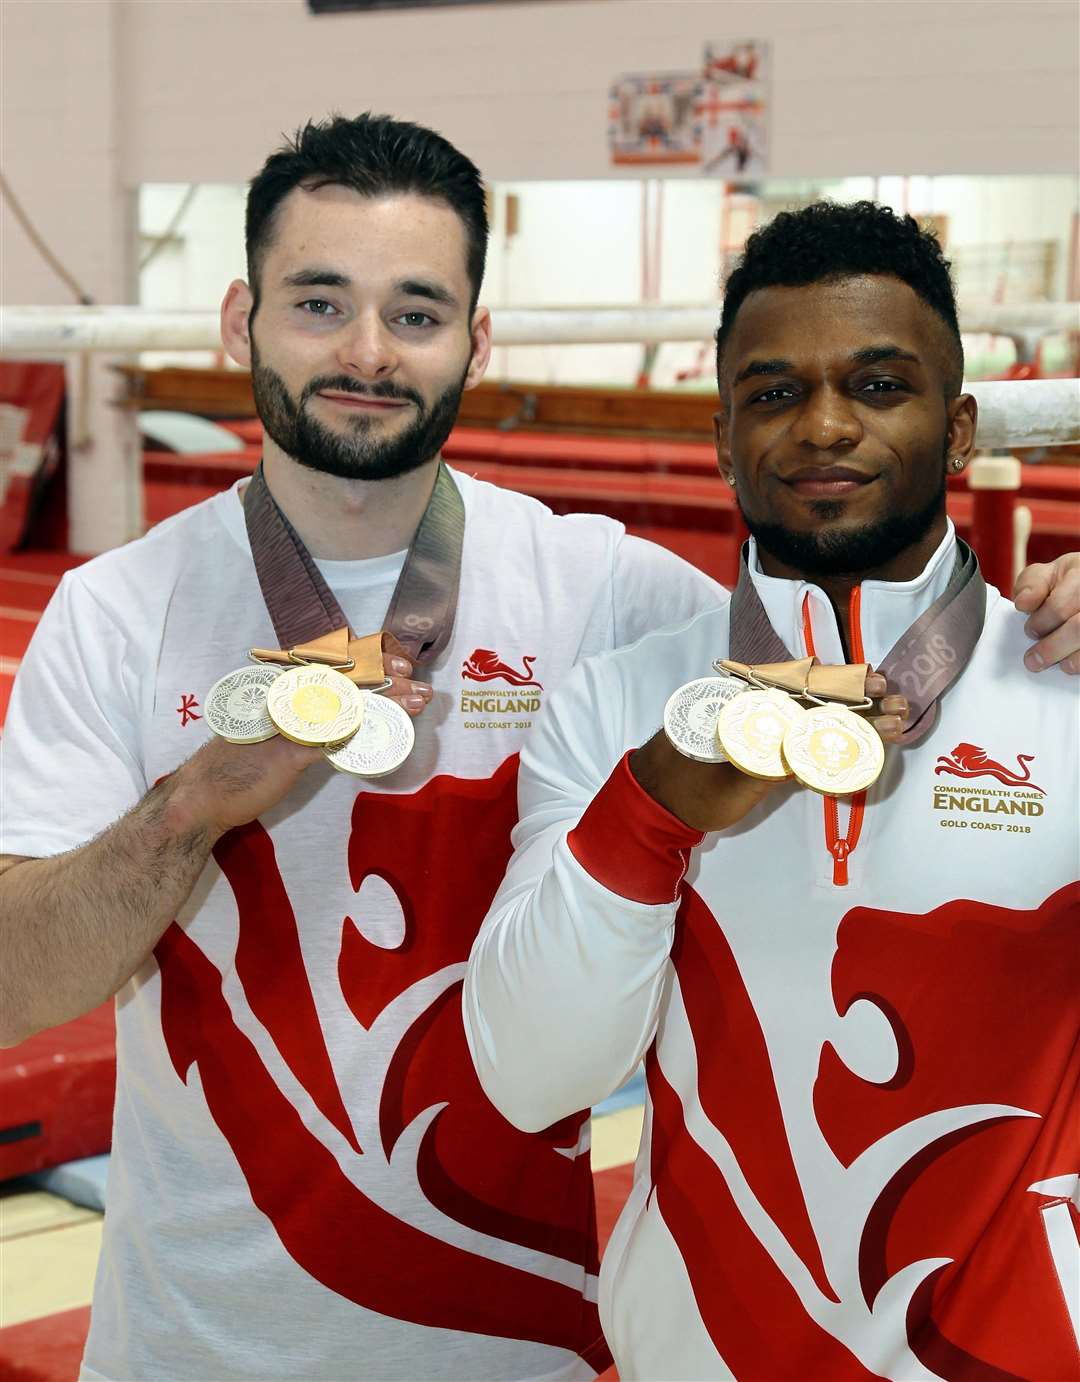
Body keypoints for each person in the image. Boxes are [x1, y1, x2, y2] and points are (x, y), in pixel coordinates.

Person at [0, 123, 1074, 1382]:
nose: (364, 351)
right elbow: (18, 988)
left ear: (476, 340)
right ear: (241, 318)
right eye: (318, 302)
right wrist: (193, 806)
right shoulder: (119, 610)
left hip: (529, 1351)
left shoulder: (607, 598)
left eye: (415, 311)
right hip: (192, 1343)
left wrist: (1031, 625)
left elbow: (841, 612)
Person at [464, 202, 1079, 1381]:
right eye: (775, 391)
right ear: (723, 433)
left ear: (957, 430)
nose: (826, 426)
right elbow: (530, 1076)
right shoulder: (619, 702)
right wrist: (649, 813)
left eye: (879, 383)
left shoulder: (1066, 683)